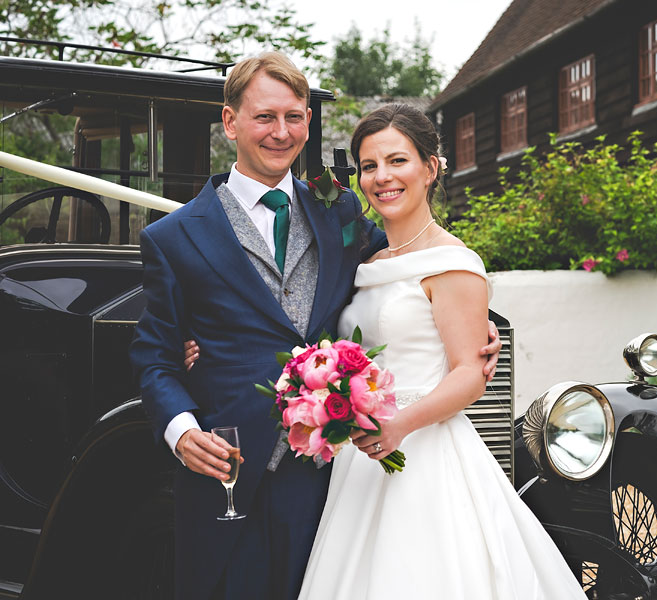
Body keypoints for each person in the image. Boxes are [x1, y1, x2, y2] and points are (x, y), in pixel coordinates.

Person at [130, 53, 499, 600]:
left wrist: (480, 325)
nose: (282, 133)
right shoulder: (173, 237)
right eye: (264, 117)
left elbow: (412, 271)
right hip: (230, 475)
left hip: (334, 478)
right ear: (230, 122)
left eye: (295, 117)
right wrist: (182, 431)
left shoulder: (341, 212)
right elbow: (154, 358)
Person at [295, 104, 588, 599]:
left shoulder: (454, 263)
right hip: (362, 460)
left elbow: (470, 375)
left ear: (430, 168)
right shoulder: (369, 259)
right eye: (369, 166)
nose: (382, 177)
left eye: (397, 161)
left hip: (424, 449)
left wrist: (400, 425)